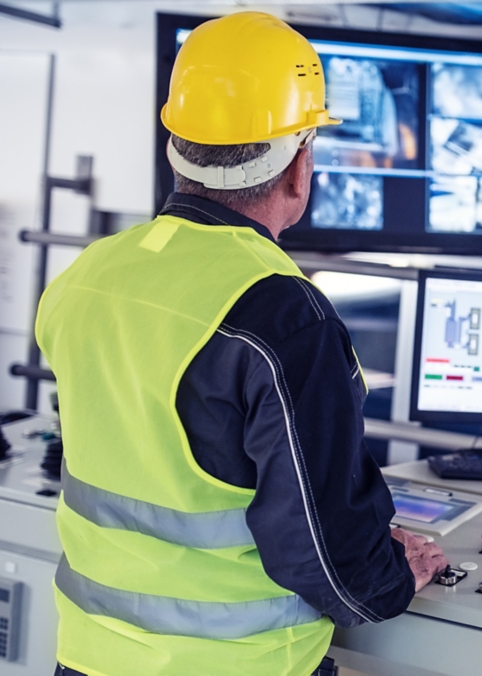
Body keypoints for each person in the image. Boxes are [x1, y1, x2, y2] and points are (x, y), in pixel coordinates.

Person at [35, 12, 447, 675]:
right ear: (299, 166)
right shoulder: (283, 317)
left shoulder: (87, 275)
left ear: (178, 146)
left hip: (87, 658)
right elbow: (329, 564)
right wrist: (392, 574)